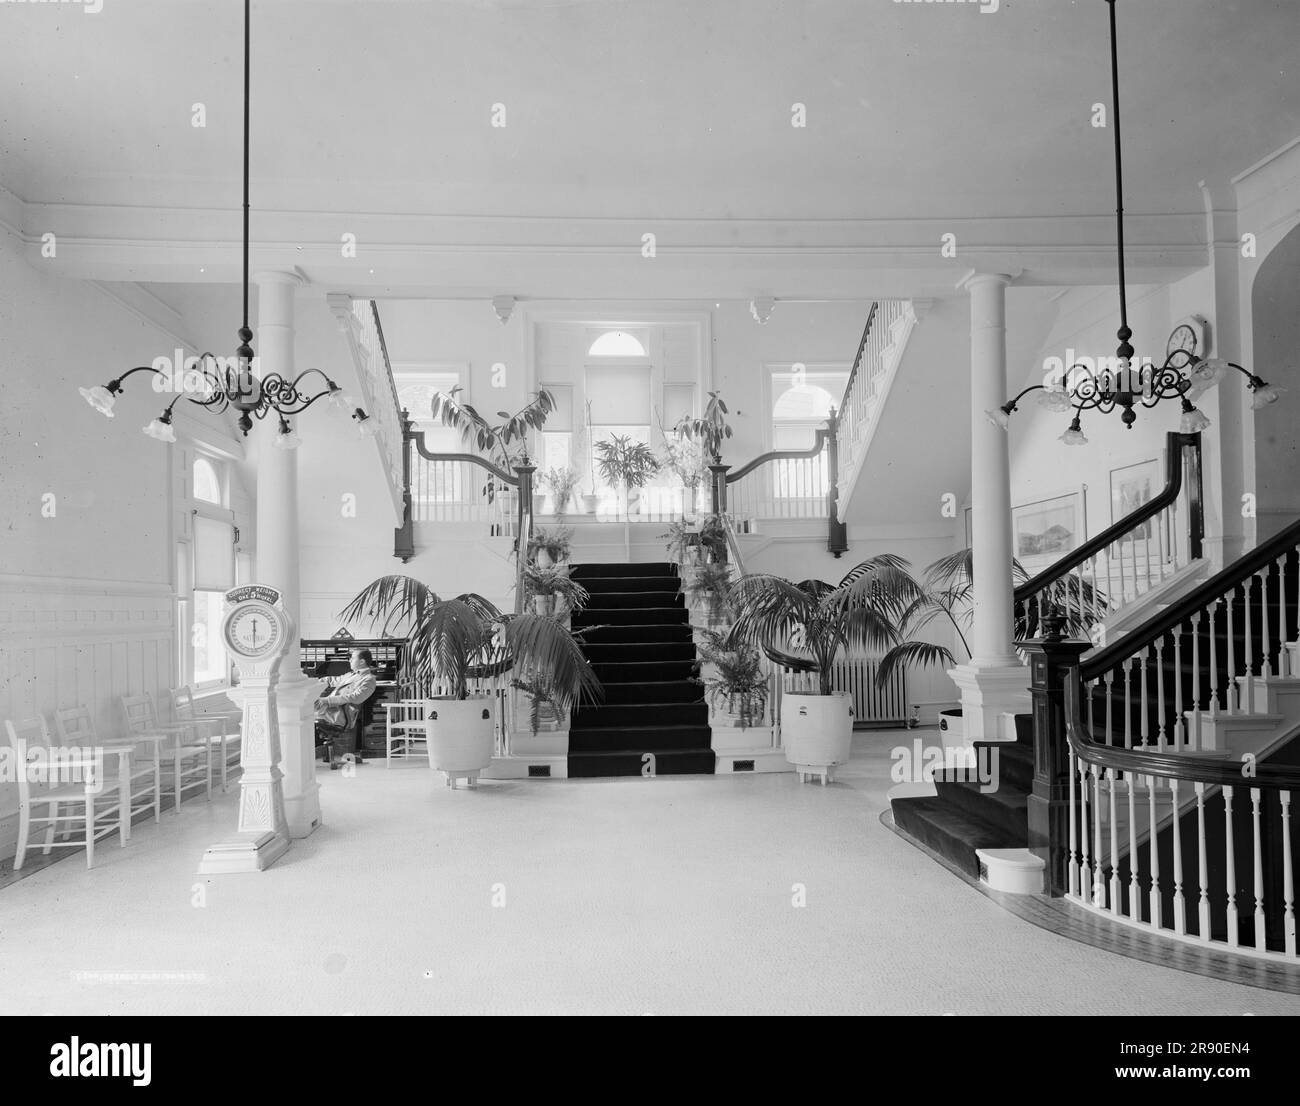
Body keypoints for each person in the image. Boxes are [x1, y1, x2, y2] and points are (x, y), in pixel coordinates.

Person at [314, 647, 377, 735]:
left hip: (337, 716)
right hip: (327, 711)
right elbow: (332, 680)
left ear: (362, 661)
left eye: (353, 658)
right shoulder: (350, 674)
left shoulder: (369, 679)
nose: (350, 660)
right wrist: (313, 682)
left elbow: (356, 697)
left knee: (300, 721)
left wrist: (326, 700)